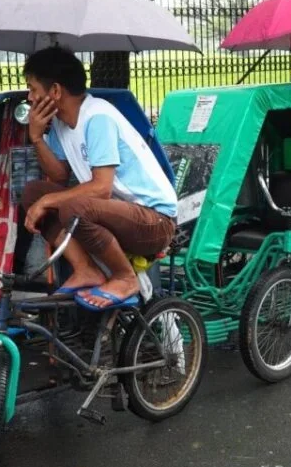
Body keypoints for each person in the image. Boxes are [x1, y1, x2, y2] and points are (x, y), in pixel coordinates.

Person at [20, 46, 177, 311]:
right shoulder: (60, 122)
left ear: (55, 91)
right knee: (33, 193)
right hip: (116, 213)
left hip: (154, 221)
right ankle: (85, 269)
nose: (30, 96)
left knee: (71, 205)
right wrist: (36, 137)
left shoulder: (97, 117)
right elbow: (59, 175)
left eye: (34, 89)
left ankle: (125, 278)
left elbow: (101, 188)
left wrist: (49, 200)